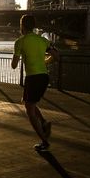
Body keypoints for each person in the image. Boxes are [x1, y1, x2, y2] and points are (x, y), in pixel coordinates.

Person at [11, 14, 59, 151]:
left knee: (29, 111)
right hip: (44, 77)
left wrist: (16, 56)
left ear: (22, 26)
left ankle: (45, 141)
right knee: (28, 102)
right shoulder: (42, 40)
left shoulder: (20, 42)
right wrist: (45, 61)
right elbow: (57, 56)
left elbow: (14, 65)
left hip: (32, 77)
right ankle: (43, 122)